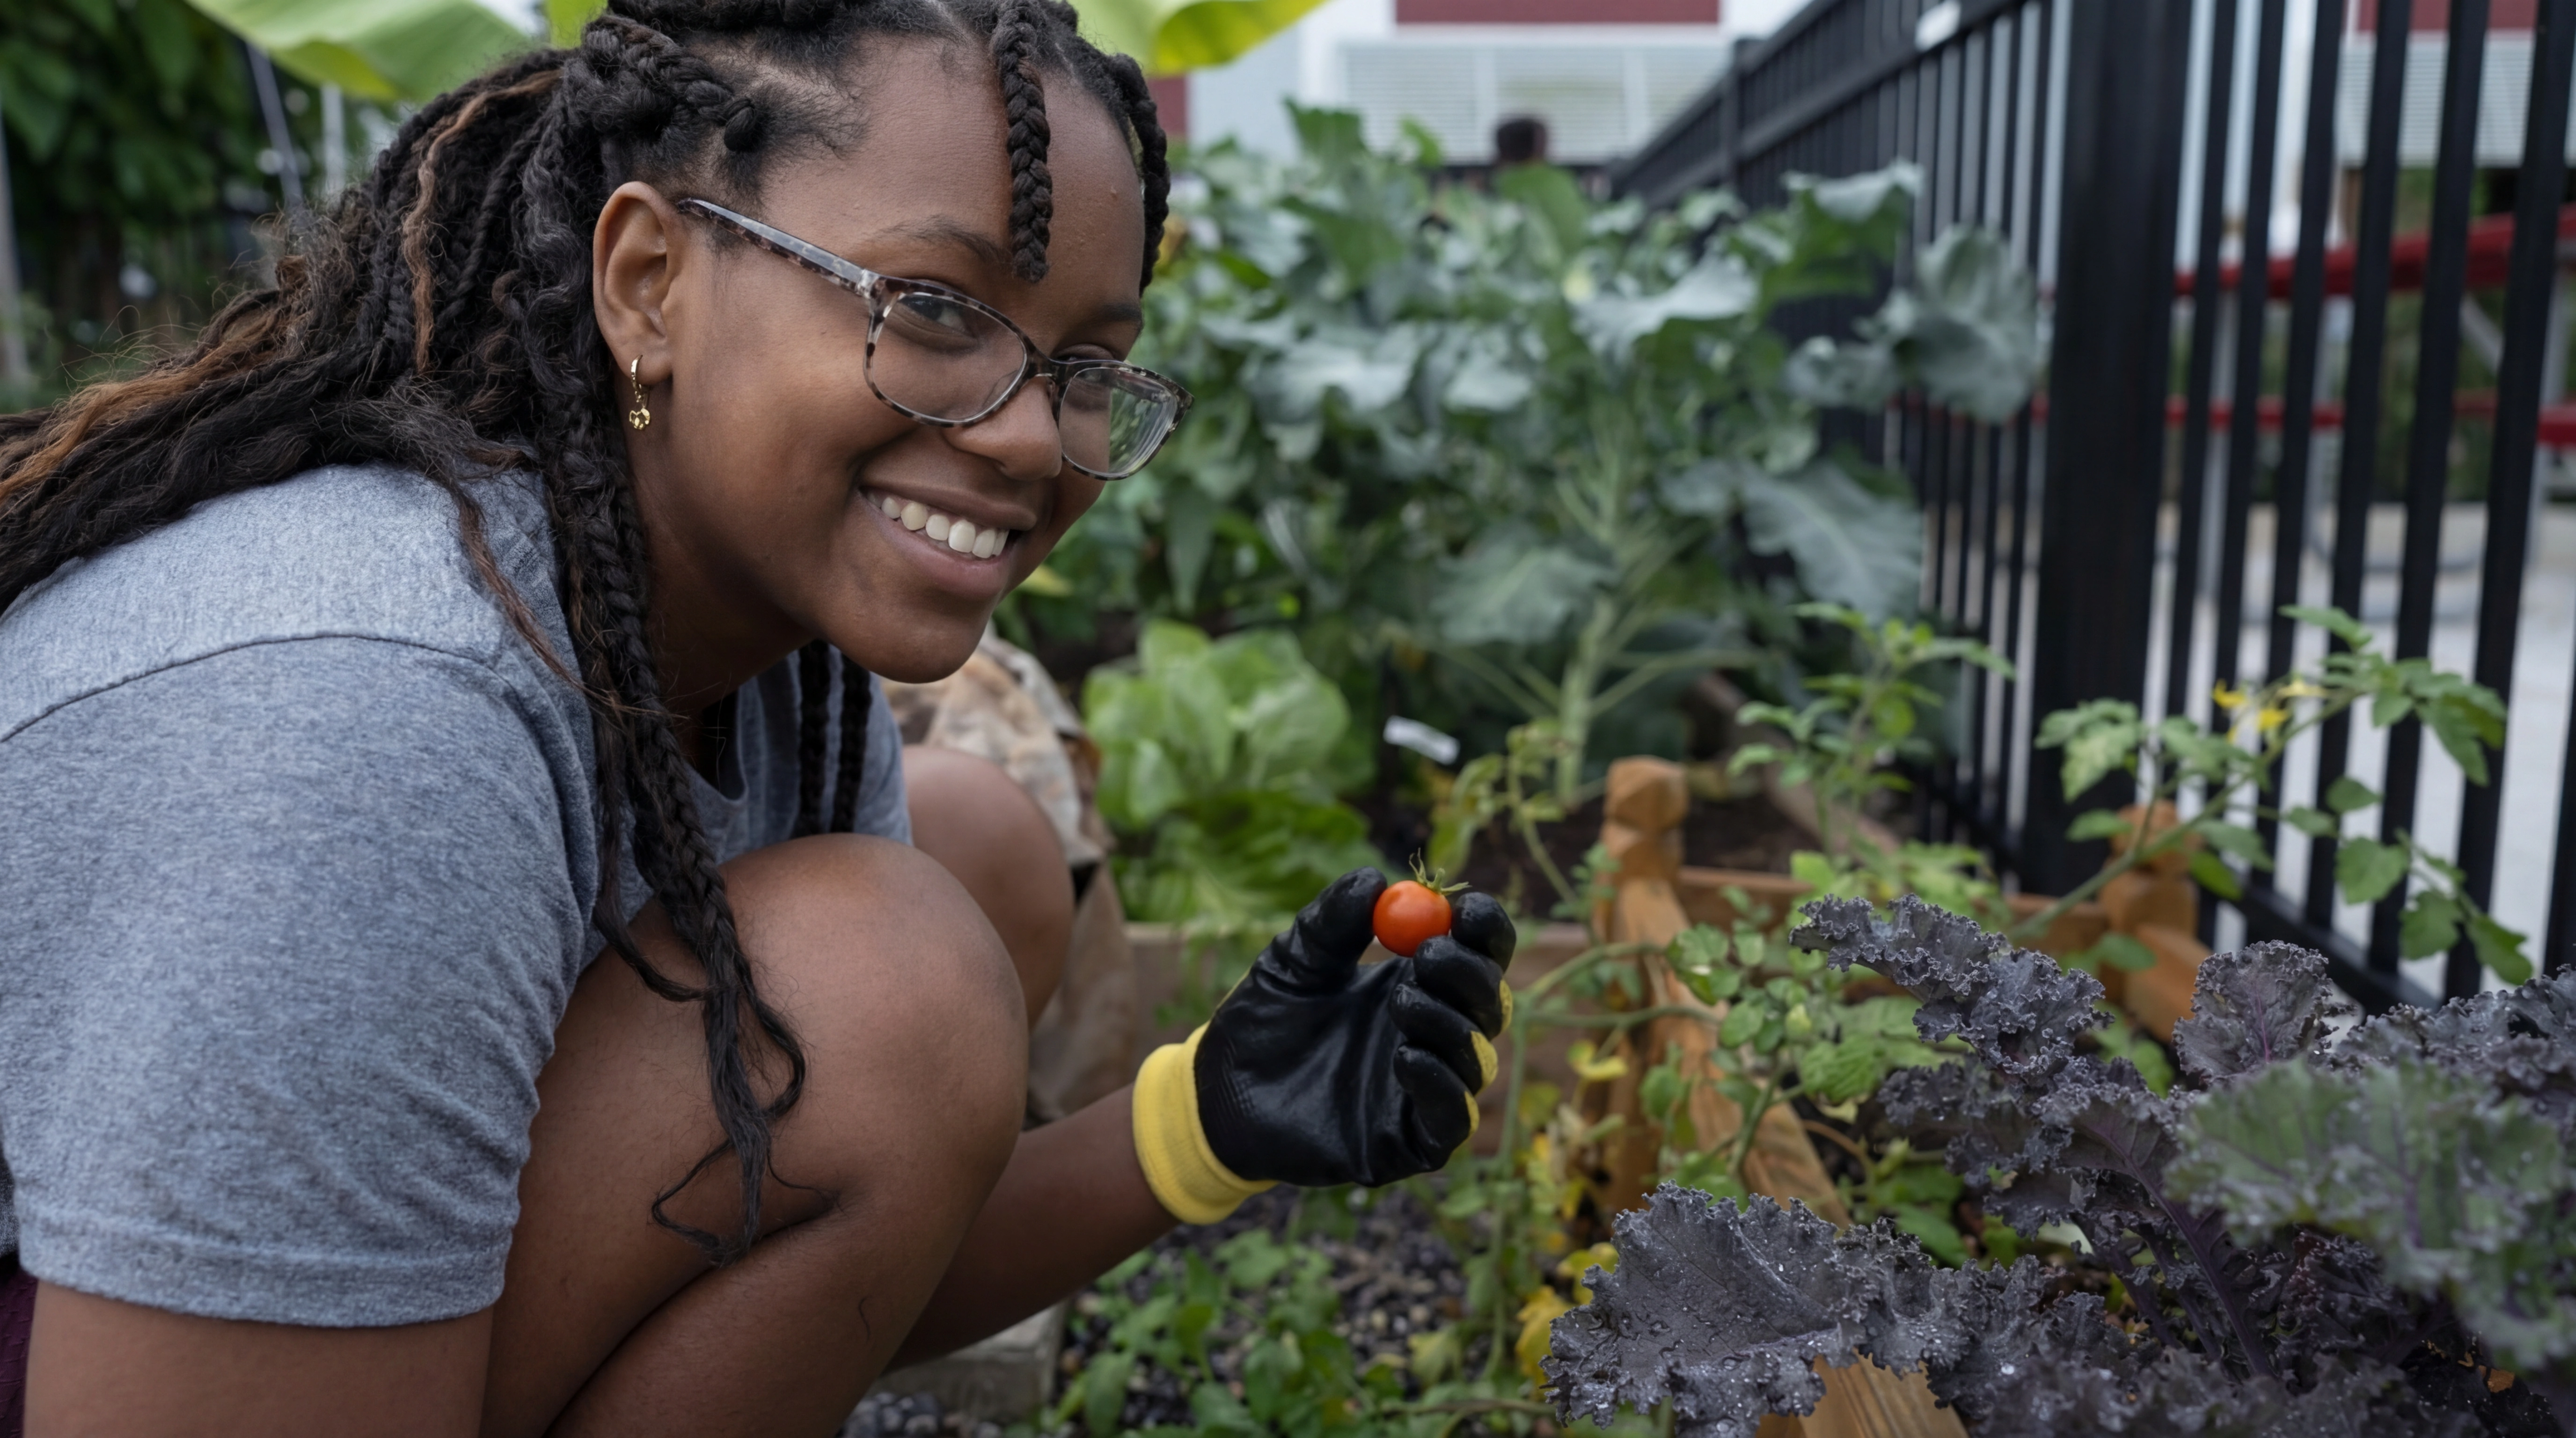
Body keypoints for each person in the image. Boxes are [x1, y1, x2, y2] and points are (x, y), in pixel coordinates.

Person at [0, 3, 1515, 1433]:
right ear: (650, 283)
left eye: (1087, 368)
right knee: (890, 980)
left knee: (975, 858)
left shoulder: (770, 649)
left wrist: (1210, 1120)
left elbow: (826, 1254)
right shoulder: (364, 713)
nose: (1027, 433)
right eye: (932, 309)